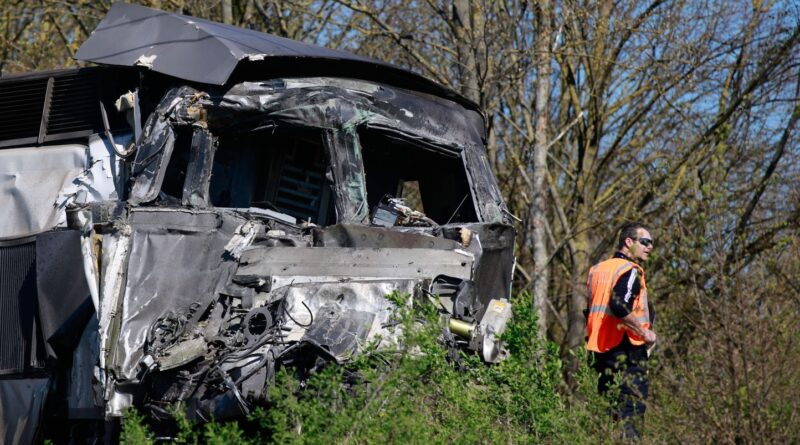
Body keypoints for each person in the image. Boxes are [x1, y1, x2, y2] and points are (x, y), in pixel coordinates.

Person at [586, 222, 656, 439]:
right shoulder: (630, 270)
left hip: (600, 348)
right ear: (628, 242)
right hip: (626, 349)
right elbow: (619, 306)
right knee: (632, 408)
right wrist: (645, 333)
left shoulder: (597, 270)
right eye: (645, 242)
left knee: (606, 411)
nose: (650, 247)